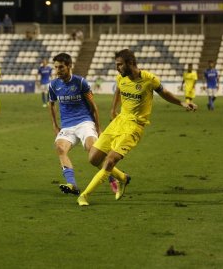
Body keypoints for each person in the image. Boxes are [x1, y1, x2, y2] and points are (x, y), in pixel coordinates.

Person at [77, 49, 197, 206]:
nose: (117, 68)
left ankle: (84, 196)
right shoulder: (121, 77)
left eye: (120, 65)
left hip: (134, 126)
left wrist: (182, 103)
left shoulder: (149, 79)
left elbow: (165, 93)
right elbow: (119, 89)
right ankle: (123, 178)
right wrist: (113, 108)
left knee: (110, 161)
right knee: (93, 158)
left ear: (131, 63)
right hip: (119, 121)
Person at [49, 53, 121, 196]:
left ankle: (114, 179)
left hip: (84, 122)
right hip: (67, 126)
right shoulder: (53, 85)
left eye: (61, 67)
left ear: (69, 66)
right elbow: (52, 105)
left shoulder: (81, 82)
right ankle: (72, 185)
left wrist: (98, 127)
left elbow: (93, 106)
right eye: (56, 67)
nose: (58, 70)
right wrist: (55, 125)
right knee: (60, 148)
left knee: (92, 151)